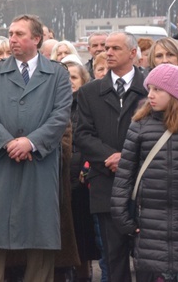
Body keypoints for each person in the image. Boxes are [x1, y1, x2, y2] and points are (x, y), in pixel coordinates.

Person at [0, 14, 71, 282]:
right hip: (0, 164)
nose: (12, 39)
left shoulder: (57, 74)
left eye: (19, 34)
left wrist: (32, 142)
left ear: (36, 39)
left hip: (39, 164)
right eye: (11, 33)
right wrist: (6, 143)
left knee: (40, 240)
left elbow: (61, 115)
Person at [74, 31, 146, 282]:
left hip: (144, 185)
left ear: (133, 53)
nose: (109, 53)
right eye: (107, 48)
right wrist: (110, 156)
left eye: (116, 48)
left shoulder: (150, 89)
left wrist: (125, 158)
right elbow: (82, 135)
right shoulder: (90, 92)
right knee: (113, 261)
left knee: (148, 260)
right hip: (106, 184)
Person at [111, 63, 178, 282]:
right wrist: (125, 221)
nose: (150, 95)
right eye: (149, 88)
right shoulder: (140, 125)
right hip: (149, 227)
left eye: (158, 90)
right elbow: (125, 176)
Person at [63, 61, 99, 282]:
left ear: (84, 81)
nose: (69, 82)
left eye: (74, 77)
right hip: (60, 179)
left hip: (81, 181)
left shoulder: (88, 106)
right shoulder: (54, 105)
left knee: (82, 237)